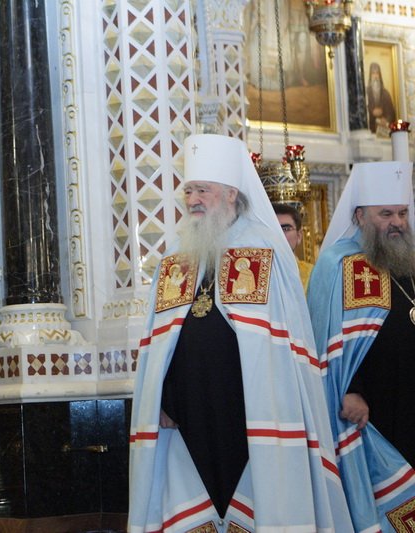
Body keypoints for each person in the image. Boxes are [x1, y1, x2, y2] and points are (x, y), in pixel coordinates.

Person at [128, 134, 351, 532]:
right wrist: (159, 397)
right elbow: (160, 343)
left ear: (231, 194)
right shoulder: (176, 257)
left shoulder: (265, 251)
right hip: (187, 417)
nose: (193, 200)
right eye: (189, 191)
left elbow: (284, 346)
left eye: (203, 190)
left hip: (250, 413)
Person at [308, 160, 415, 532]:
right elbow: (325, 338)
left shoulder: (410, 262)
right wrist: (350, 390)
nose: (397, 222)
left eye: (402, 213)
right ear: (360, 216)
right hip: (371, 409)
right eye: (386, 214)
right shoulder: (338, 264)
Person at [273, 202, 314, 291]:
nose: (280, 235)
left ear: (299, 236)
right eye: (273, 229)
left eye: (286, 229)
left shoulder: (314, 274)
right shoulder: (256, 274)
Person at [367, 62, 397, 134]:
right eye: (373, 73)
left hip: (383, 130)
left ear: (380, 75)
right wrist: (372, 111)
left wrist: (386, 119)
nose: (375, 76)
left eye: (377, 73)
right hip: (370, 130)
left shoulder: (385, 93)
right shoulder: (366, 92)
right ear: (370, 75)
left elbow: (391, 113)